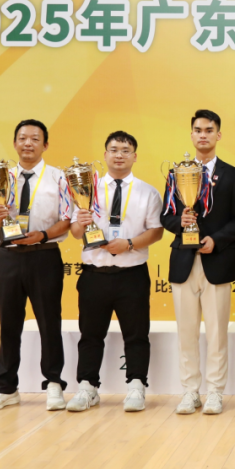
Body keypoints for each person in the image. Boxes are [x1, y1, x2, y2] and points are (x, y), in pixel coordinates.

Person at [66, 131, 164, 413]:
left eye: (125, 150)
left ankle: (136, 386)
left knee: (136, 335)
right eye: (114, 149)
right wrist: (81, 221)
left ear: (135, 156)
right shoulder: (86, 188)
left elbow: (156, 231)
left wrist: (129, 244)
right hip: (94, 273)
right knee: (90, 334)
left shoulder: (148, 192)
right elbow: (75, 232)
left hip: (131, 274)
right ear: (105, 155)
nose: (119, 155)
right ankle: (87, 387)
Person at [161, 110, 235, 415]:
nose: (203, 135)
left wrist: (217, 239)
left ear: (218, 135)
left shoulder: (233, 175)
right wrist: (180, 222)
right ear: (191, 135)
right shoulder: (176, 173)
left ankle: (215, 391)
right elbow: (166, 216)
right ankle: (190, 391)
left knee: (216, 332)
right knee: (186, 332)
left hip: (217, 261)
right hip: (183, 262)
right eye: (198, 130)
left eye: (209, 130)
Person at [0, 119, 72, 412]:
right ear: (14, 143)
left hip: (44, 255)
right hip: (8, 256)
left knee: (49, 321)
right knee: (9, 323)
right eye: (22, 138)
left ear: (45, 144)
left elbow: (67, 220)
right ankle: (6, 388)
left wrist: (43, 235)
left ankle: (54, 384)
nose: (28, 143)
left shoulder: (59, 178)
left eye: (34, 138)